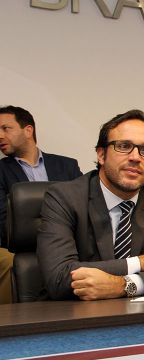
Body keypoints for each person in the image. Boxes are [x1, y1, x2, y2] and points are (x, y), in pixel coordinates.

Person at [37, 109, 144, 300]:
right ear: (101, 155)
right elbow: (59, 277)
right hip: (73, 313)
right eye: (124, 146)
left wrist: (123, 286)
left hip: (141, 314)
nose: (136, 157)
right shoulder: (63, 197)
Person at [0, 105, 82, 303]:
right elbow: (3, 221)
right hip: (16, 248)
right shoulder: (1, 171)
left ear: (28, 130)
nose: (0, 135)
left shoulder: (66, 166)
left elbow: (83, 208)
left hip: (66, 243)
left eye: (5, 128)